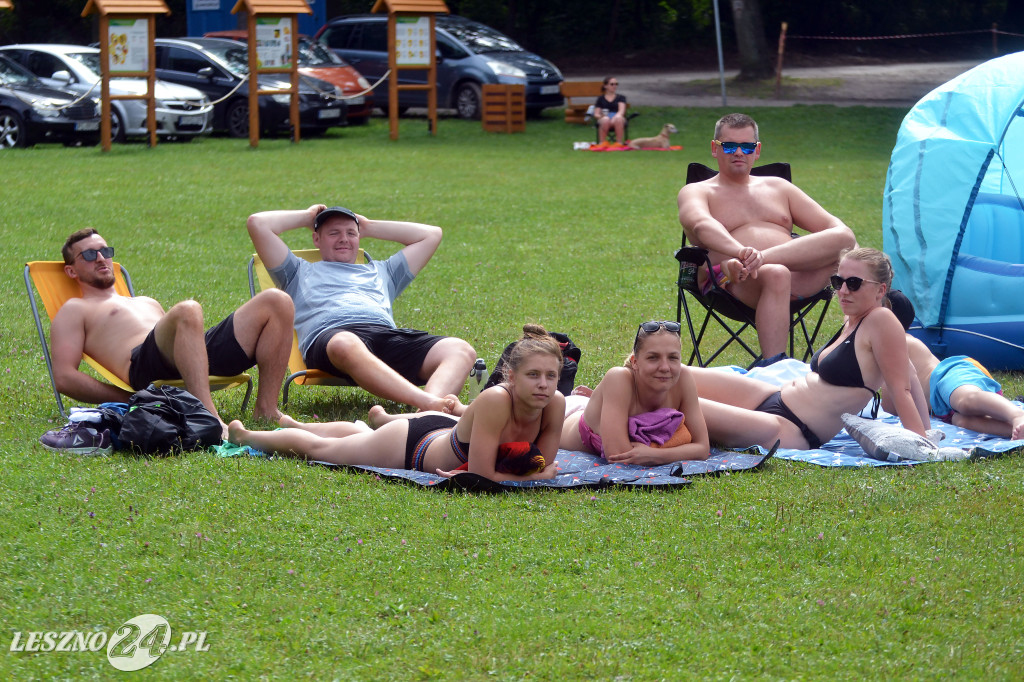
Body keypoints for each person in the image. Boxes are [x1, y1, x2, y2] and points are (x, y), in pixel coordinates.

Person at [227, 324, 567, 483]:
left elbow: (542, 464)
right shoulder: (496, 400)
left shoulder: (555, 403)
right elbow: (482, 477)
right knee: (320, 450)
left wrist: (536, 472)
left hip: (442, 428)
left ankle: (300, 424)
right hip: (413, 444)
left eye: (551, 377)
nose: (543, 385)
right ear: (510, 376)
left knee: (358, 437)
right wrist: (530, 478)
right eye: (533, 375)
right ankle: (248, 437)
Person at [51, 229, 294, 430]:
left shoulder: (145, 301)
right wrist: (125, 398)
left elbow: (178, 337)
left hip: (187, 353)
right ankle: (209, 419)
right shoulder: (75, 308)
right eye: (90, 254)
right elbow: (64, 377)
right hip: (142, 365)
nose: (101, 258)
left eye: (105, 251)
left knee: (277, 301)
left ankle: (266, 409)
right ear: (71, 270)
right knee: (188, 310)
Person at [246, 204, 477, 415]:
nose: (343, 239)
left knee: (461, 350)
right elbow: (258, 224)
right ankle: (428, 403)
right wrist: (307, 217)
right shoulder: (296, 272)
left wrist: (367, 226)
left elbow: (432, 234)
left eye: (351, 233)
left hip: (385, 338)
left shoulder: (383, 272)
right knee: (344, 342)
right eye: (333, 233)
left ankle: (423, 418)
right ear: (316, 239)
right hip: (332, 340)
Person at [690, 247, 928, 450]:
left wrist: (921, 442)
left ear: (881, 290)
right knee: (677, 374)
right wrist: (927, 428)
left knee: (674, 400)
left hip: (789, 427)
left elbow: (902, 389)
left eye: (854, 284)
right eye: (838, 282)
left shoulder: (881, 320)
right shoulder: (854, 320)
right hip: (773, 395)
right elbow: (909, 372)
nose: (843, 291)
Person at [676, 112, 858, 361]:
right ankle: (775, 368)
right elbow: (701, 225)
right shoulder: (697, 191)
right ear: (715, 148)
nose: (739, 152)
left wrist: (759, 257)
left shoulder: (779, 187)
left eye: (747, 146)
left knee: (846, 240)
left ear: (757, 150)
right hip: (732, 278)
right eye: (729, 146)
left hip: (797, 279)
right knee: (776, 273)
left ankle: (859, 343)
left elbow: (837, 230)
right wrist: (740, 252)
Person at [560, 320, 711, 463]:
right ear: (635, 362)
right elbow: (619, 455)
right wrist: (679, 450)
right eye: (653, 357)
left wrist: (655, 455)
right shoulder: (618, 378)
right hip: (567, 413)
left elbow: (702, 448)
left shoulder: (683, 377)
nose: (665, 367)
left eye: (673, 358)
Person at [884, 291, 1024, 440]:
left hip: (950, 375)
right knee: (961, 421)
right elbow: (892, 407)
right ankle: (1014, 430)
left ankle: (1017, 415)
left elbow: (889, 403)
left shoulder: (898, 341)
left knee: (965, 401)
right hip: (942, 406)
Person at [594, 76, 627, 145]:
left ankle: (619, 143)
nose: (614, 86)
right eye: (612, 84)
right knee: (605, 119)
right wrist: (601, 117)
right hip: (605, 119)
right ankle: (602, 142)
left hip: (617, 118)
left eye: (616, 84)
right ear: (605, 86)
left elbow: (621, 111)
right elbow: (596, 114)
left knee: (618, 118)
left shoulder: (621, 97)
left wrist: (615, 117)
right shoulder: (601, 99)